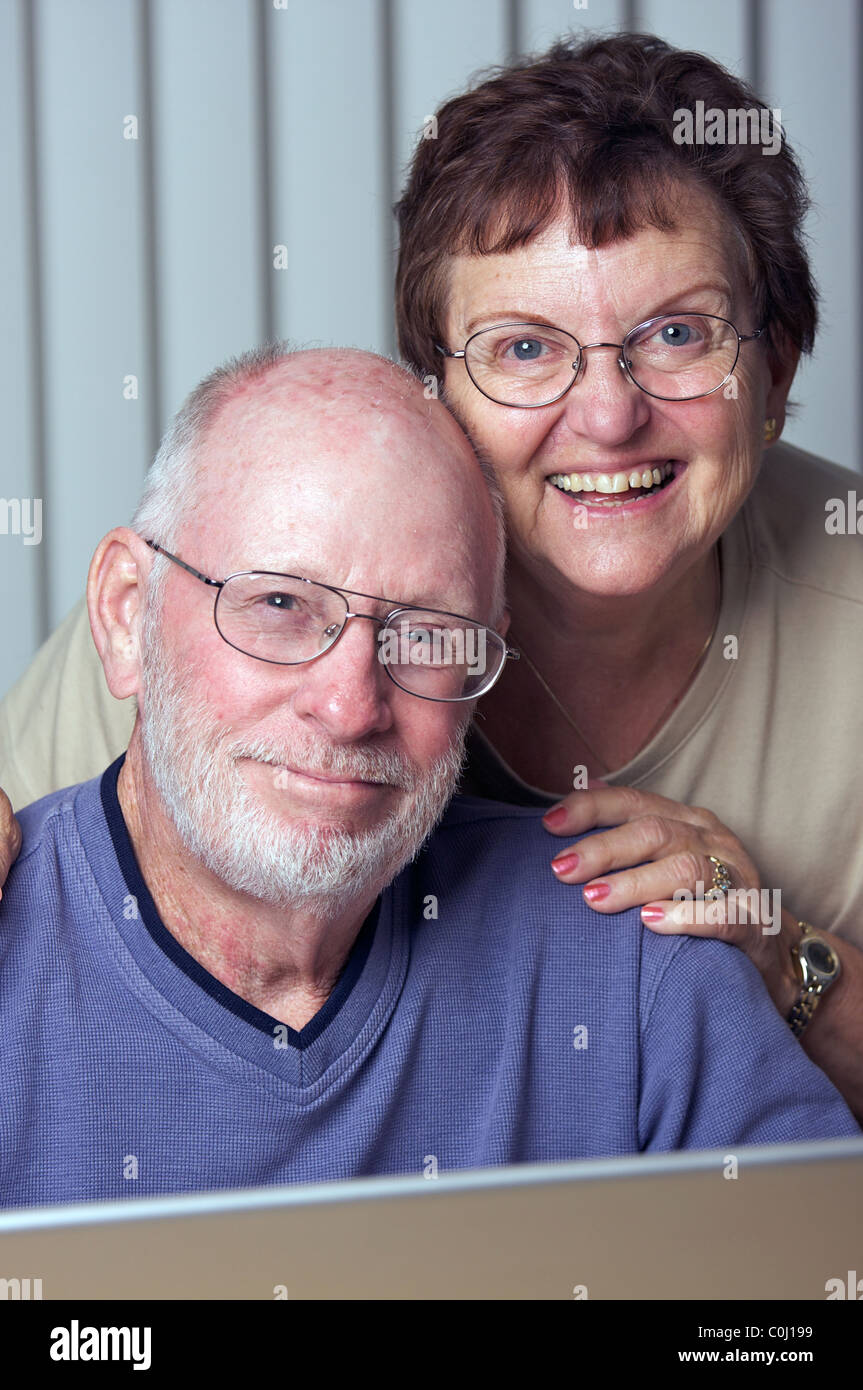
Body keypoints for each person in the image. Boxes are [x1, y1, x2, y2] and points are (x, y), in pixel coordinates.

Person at [0, 33, 861, 1118]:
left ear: (772, 368)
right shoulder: (223, 609)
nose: (606, 415)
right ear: (434, 392)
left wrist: (782, 952)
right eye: (522, 348)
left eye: (676, 333)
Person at [0, 345, 856, 1210]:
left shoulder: (633, 962)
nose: (349, 707)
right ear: (124, 615)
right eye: (280, 605)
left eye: (426, 634)